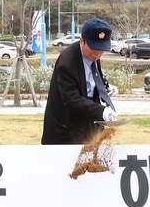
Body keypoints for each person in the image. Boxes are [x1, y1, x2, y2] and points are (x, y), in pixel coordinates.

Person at [41, 17, 118, 145]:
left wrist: (104, 87)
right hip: (65, 132)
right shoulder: (67, 63)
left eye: (102, 49)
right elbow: (71, 99)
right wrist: (101, 111)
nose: (98, 54)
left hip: (87, 127)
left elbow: (89, 76)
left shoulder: (93, 55)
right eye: (94, 49)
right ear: (82, 41)